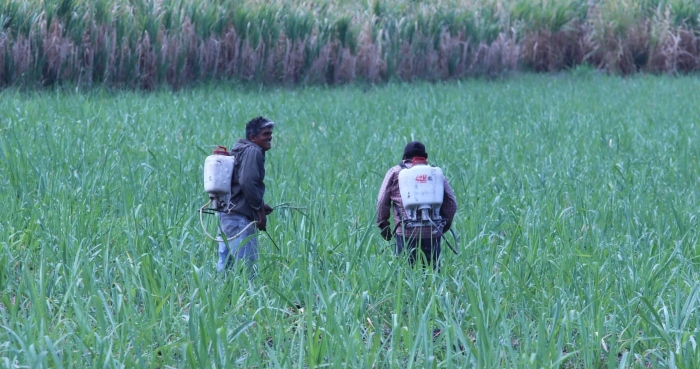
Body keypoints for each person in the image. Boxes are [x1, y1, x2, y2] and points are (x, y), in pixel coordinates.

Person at [376, 141, 458, 268]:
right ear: (424, 158)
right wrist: (443, 226)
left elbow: (382, 201)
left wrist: (383, 225)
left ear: (404, 158)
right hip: (433, 232)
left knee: (406, 274)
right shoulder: (435, 173)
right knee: (431, 274)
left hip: (406, 232)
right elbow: (451, 203)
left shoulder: (395, 172)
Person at [218, 116, 275, 274]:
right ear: (253, 137)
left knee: (225, 267)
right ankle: (247, 299)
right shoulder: (253, 151)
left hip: (227, 216)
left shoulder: (241, 149)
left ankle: (224, 298)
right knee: (246, 270)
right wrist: (259, 211)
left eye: (270, 133)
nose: (270, 136)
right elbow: (247, 181)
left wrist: (261, 204)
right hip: (240, 219)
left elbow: (239, 184)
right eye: (265, 134)